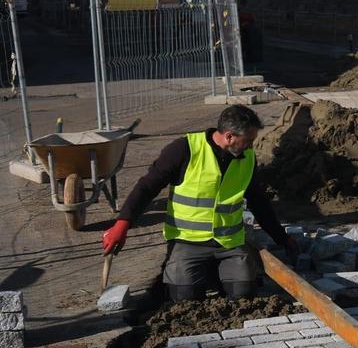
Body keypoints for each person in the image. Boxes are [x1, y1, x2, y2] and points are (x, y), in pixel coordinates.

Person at [100, 105, 297, 301]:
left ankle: (214, 272)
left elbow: (258, 202)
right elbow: (147, 187)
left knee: (244, 293)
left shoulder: (247, 159)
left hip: (229, 244)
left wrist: (281, 237)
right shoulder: (184, 149)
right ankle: (201, 273)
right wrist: (122, 224)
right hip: (187, 241)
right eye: (248, 141)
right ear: (229, 136)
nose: (251, 146)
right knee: (184, 298)